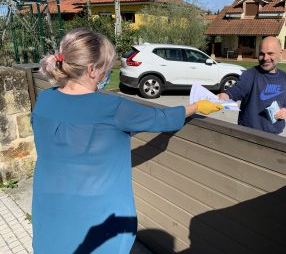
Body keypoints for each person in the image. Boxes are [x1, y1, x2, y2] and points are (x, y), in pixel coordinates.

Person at [31, 28, 223, 254]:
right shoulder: (113, 108)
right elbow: (161, 119)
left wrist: (115, 135)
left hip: (50, 207)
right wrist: (197, 107)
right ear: (92, 70)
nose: (107, 74)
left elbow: (68, 135)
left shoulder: (45, 99)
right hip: (96, 219)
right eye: (106, 68)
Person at [218, 36, 286, 134]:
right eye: (262, 54)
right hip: (250, 136)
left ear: (280, 53)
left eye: (270, 53)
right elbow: (236, 90)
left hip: (276, 135)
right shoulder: (251, 75)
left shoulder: (283, 77)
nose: (265, 58)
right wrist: (224, 96)